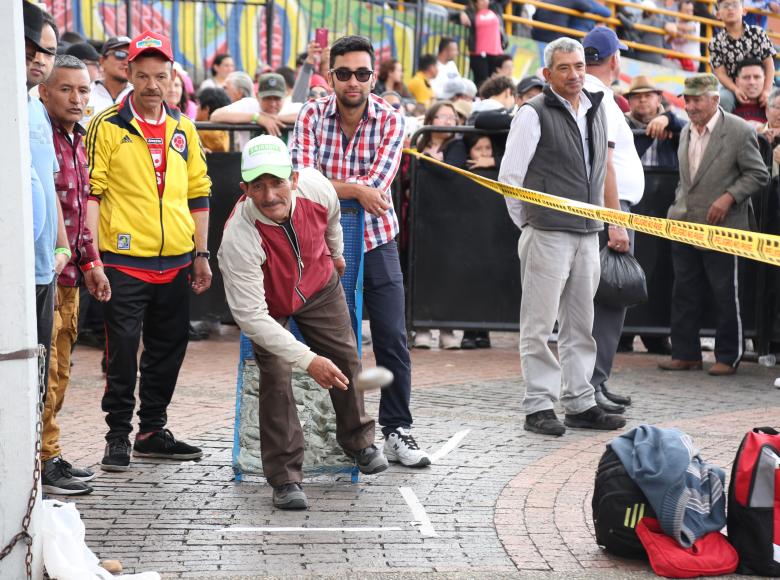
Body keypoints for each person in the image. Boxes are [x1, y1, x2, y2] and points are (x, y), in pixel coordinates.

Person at [219, 135, 387, 509]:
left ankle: (359, 441)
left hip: (319, 282)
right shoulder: (238, 237)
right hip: (268, 305)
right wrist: (308, 360)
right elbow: (252, 318)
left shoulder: (317, 187)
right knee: (276, 374)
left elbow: (333, 219)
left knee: (346, 354)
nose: (269, 195)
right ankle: (284, 478)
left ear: (293, 179)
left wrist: (336, 253)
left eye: (277, 182)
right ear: (245, 189)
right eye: (257, 186)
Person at [291, 35, 431, 467]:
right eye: (345, 73)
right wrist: (354, 189)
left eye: (363, 73)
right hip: (320, 245)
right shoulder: (311, 114)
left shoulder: (392, 119)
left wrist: (338, 188)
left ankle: (397, 430)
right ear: (330, 75)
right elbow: (300, 179)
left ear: (374, 77)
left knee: (391, 337)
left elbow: (379, 185)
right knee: (333, 340)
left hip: (376, 239)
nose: (354, 82)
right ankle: (335, 433)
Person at [85, 30, 212, 472]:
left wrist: (201, 254)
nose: (152, 85)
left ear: (172, 76)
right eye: (143, 76)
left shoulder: (184, 128)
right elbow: (92, 194)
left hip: (177, 261)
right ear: (129, 74)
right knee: (121, 348)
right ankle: (117, 434)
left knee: (168, 347)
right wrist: (93, 258)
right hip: (122, 260)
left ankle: (152, 431)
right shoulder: (107, 125)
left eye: (160, 76)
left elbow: (199, 193)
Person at [500, 37, 628, 436]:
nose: (574, 74)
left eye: (579, 66)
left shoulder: (596, 107)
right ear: (547, 74)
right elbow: (511, 180)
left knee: (580, 324)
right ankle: (538, 404)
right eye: (564, 68)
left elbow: (602, 167)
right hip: (547, 233)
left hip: (587, 234)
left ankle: (579, 401)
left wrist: (607, 220)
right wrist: (531, 224)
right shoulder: (532, 113)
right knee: (538, 325)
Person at [658, 74, 768, 376]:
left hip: (724, 228)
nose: (690, 106)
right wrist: (679, 205)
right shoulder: (686, 131)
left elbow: (759, 174)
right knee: (684, 291)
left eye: (696, 100)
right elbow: (687, 178)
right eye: (687, 100)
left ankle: (728, 355)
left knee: (725, 292)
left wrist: (728, 197)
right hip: (684, 223)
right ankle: (685, 352)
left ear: (715, 99)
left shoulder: (737, 130)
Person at [39, 55, 111, 495]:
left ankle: (50, 455)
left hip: (72, 277)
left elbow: (81, 213)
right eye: (66, 89)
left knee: (62, 370)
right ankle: (40, 463)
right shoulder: (37, 137)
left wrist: (92, 263)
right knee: (45, 372)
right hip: (44, 277)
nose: (77, 98)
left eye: (84, 90)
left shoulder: (76, 138)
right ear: (44, 91)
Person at [583, 27, 644, 414]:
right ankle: (592, 384)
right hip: (612, 207)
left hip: (612, 206)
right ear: (613, 59)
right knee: (607, 302)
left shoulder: (594, 94)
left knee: (605, 303)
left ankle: (597, 381)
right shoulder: (600, 95)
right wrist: (615, 219)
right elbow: (604, 162)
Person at [25, 2, 64, 398]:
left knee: (38, 378)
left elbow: (48, 184)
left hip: (43, 269)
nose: (39, 59)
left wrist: (63, 246)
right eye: (32, 48)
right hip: (13, 274)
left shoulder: (37, 107)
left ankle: (37, 461)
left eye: (48, 51)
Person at [412, 102, 467, 350]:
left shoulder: (457, 145)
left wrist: (428, 162)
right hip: (419, 218)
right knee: (421, 272)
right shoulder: (418, 142)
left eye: (452, 117)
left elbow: (450, 172)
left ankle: (446, 329)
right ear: (431, 118)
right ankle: (421, 328)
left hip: (449, 220)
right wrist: (429, 158)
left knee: (446, 274)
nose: (447, 121)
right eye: (442, 116)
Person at [709, 0, 775, 113]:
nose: (730, 8)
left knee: (776, 100)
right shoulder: (715, 42)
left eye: (735, 5)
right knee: (723, 100)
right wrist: (736, 90)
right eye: (725, 6)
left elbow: (769, 65)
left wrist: (767, 90)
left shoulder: (758, 33)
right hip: (732, 87)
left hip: (761, 83)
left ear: (744, 11)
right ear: (718, 14)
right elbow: (720, 73)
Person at [210, 72, 295, 146]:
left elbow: (307, 117)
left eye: (277, 98)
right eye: (267, 98)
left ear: (285, 96)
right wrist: (256, 117)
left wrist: (277, 118)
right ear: (257, 96)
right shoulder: (248, 104)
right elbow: (215, 116)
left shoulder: (291, 107)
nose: (272, 103)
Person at [624, 75, 685, 168]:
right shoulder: (621, 124)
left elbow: (691, 127)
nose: (642, 100)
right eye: (637, 96)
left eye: (648, 95)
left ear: (659, 99)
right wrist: (653, 130)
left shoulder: (673, 123)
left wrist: (668, 118)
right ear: (629, 102)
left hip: (666, 181)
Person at [82, 36, 132, 125]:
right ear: (102, 61)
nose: (126, 62)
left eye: (131, 57)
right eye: (120, 55)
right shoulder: (85, 93)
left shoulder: (139, 96)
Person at [463, 0, 509, 88]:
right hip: (478, 54)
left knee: (495, 84)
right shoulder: (470, 12)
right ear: (476, 2)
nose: (485, 1)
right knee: (481, 83)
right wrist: (463, 15)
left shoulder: (495, 6)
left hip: (496, 52)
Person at [532, 0, 611, 43]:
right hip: (557, 40)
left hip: (535, 37)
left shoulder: (544, 1)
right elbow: (587, 7)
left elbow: (534, 17)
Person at [732, 58, 768, 127]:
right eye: (746, 77)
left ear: (764, 79)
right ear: (737, 81)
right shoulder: (726, 107)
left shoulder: (776, 107)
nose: (752, 82)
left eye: (757, 77)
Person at [195, 87, 232, 153]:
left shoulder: (195, 130)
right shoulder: (227, 132)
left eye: (198, 104)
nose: (196, 108)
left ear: (206, 109)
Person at [669, 0, 701, 71]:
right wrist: (673, 34)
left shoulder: (695, 23)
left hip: (691, 63)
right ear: (679, 11)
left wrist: (669, 25)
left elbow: (687, 28)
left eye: (691, 11)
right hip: (675, 62)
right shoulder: (674, 22)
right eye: (687, 11)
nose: (690, 13)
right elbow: (668, 41)